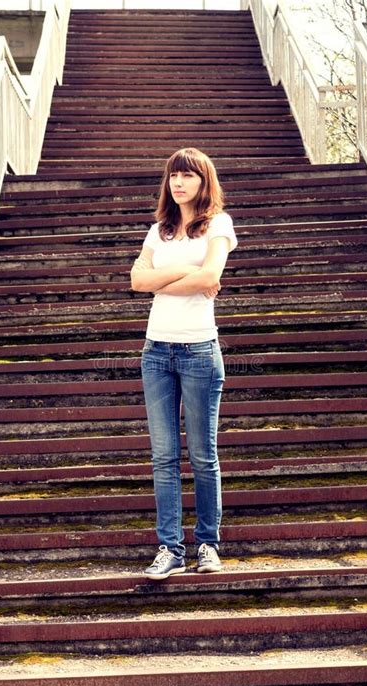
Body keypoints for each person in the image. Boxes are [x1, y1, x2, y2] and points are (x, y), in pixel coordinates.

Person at [130, 147, 237, 580]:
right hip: (156, 352)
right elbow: (138, 281)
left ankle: (207, 544)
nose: (179, 183)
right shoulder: (159, 232)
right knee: (163, 457)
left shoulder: (219, 225)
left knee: (202, 455)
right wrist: (185, 277)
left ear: (203, 181)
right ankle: (170, 548)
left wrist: (164, 278)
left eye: (188, 176)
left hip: (198, 352)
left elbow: (211, 276)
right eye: (174, 175)